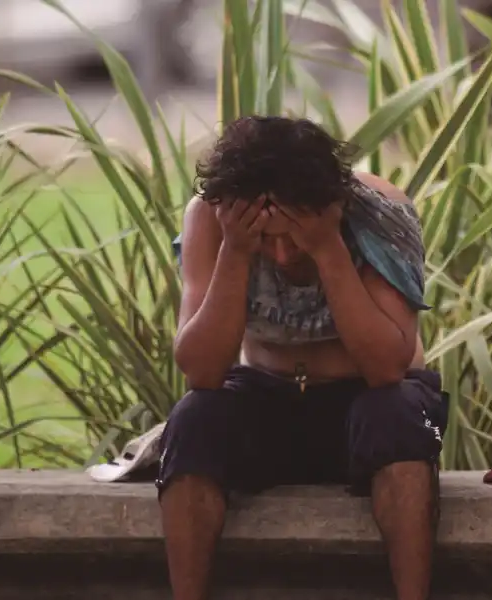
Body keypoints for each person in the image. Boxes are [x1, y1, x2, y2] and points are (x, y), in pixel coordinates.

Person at [158, 115, 447, 600]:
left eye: (291, 233)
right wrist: (236, 248)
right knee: (193, 419)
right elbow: (203, 372)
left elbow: (386, 368)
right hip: (266, 394)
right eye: (267, 236)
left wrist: (327, 245)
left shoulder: (378, 213)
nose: (283, 253)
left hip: (368, 396)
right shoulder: (212, 218)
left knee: (397, 416)